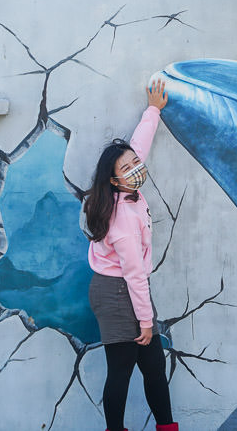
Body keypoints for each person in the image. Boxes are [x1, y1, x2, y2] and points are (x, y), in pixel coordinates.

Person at [84, 78, 178, 431]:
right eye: (126, 169)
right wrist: (145, 320)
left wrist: (153, 109)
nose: (136, 168)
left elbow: (137, 147)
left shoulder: (128, 190)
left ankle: (167, 426)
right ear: (113, 181)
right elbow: (135, 274)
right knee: (122, 368)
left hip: (126, 288)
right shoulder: (122, 216)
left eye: (134, 164)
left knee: (153, 366)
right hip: (117, 290)